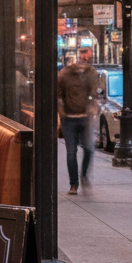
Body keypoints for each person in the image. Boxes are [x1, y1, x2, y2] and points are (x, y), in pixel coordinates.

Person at [57, 54, 101, 195]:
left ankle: (84, 176)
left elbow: (95, 92)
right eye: (80, 58)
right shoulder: (64, 75)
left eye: (85, 59)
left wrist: (92, 106)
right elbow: (58, 94)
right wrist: (61, 111)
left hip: (85, 118)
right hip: (69, 118)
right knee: (71, 152)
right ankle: (73, 184)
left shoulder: (91, 73)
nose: (82, 61)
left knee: (88, 149)